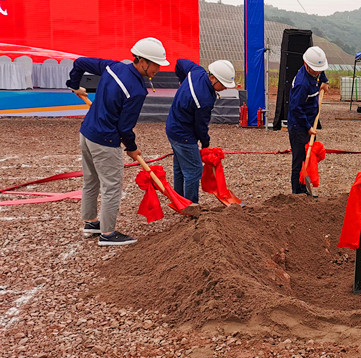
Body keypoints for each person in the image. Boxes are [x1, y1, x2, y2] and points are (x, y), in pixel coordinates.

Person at [66, 37, 169, 246]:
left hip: (86, 133)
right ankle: (107, 233)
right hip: (105, 140)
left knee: (91, 180)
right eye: (155, 64)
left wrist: (73, 84)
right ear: (142, 61)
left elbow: (79, 63)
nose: (158, 69)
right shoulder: (137, 91)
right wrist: (132, 148)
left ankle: (90, 222)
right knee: (112, 186)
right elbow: (124, 128)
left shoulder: (113, 67)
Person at [166, 59, 236, 204]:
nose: (224, 88)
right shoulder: (203, 99)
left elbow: (179, 62)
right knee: (194, 170)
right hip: (183, 134)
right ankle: (191, 206)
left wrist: (182, 80)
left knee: (180, 167)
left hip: (172, 127)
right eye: (223, 84)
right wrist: (205, 143)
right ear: (212, 78)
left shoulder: (196, 71)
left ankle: (179, 201)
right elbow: (200, 126)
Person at [287, 46, 329, 194]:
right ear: (307, 65)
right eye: (315, 70)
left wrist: (325, 82)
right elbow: (295, 108)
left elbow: (322, 74)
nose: (318, 72)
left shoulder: (315, 68)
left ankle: (306, 188)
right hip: (298, 125)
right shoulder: (301, 84)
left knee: (309, 156)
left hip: (311, 120)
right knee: (299, 159)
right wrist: (307, 126)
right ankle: (297, 193)